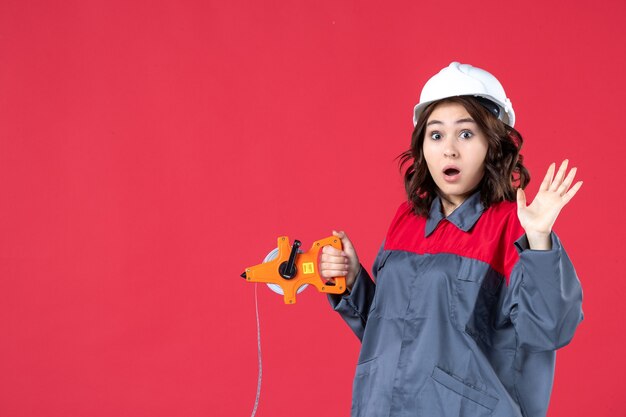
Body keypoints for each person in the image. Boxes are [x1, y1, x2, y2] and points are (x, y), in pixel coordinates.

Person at [319, 62, 583, 417]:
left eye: (466, 134)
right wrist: (352, 282)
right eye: (437, 134)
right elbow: (389, 334)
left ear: (495, 143)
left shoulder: (513, 226)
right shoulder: (406, 220)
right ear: (422, 146)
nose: (449, 150)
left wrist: (539, 241)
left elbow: (549, 331)